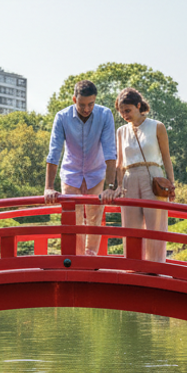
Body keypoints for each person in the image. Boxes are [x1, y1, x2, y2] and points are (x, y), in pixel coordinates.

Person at [44, 80, 118, 256]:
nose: (86, 109)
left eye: (91, 104)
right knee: (72, 218)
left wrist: (110, 187)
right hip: (71, 172)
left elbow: (110, 152)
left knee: (95, 217)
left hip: (96, 171)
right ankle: (75, 258)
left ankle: (91, 257)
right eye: (82, 104)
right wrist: (48, 187)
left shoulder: (105, 115)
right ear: (74, 99)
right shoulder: (62, 117)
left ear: (95, 100)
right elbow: (54, 152)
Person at [105, 87, 175, 263]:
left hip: (153, 176)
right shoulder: (121, 131)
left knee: (155, 226)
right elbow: (120, 163)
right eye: (121, 112)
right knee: (131, 226)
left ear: (138, 106)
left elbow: (166, 158)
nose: (125, 115)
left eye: (127, 110)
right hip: (130, 177)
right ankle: (133, 265)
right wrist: (117, 186)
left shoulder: (157, 126)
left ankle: (155, 267)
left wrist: (171, 184)